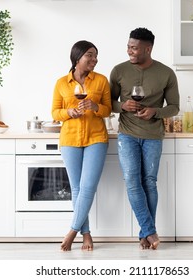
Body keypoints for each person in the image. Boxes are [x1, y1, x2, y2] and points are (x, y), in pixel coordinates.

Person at [110, 27, 180, 250]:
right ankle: (150, 232)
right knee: (132, 181)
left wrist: (155, 112)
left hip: (153, 135)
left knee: (149, 182)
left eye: (135, 47)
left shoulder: (166, 73)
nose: (129, 50)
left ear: (148, 49)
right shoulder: (118, 70)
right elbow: (107, 104)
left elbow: (174, 107)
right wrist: (122, 106)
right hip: (127, 134)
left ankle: (144, 233)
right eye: (128, 46)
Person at [52, 40, 112, 251]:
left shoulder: (102, 81)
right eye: (90, 55)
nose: (94, 60)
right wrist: (69, 112)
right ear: (77, 57)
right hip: (69, 140)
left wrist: (96, 107)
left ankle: (71, 232)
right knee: (77, 189)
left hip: (96, 138)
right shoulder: (61, 83)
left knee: (87, 188)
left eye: (96, 56)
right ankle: (86, 234)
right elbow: (54, 112)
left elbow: (108, 110)